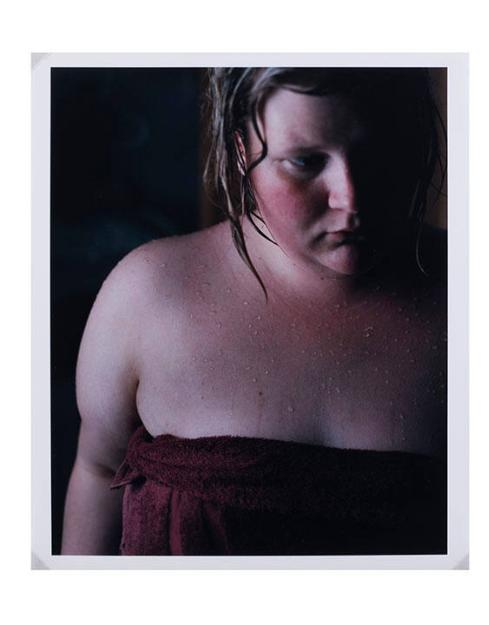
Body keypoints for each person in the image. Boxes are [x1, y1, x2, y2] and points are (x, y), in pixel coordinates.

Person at [61, 67, 447, 556]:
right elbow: (98, 470)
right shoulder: (146, 297)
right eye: (305, 161)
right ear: (241, 150)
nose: (351, 199)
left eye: (381, 152)